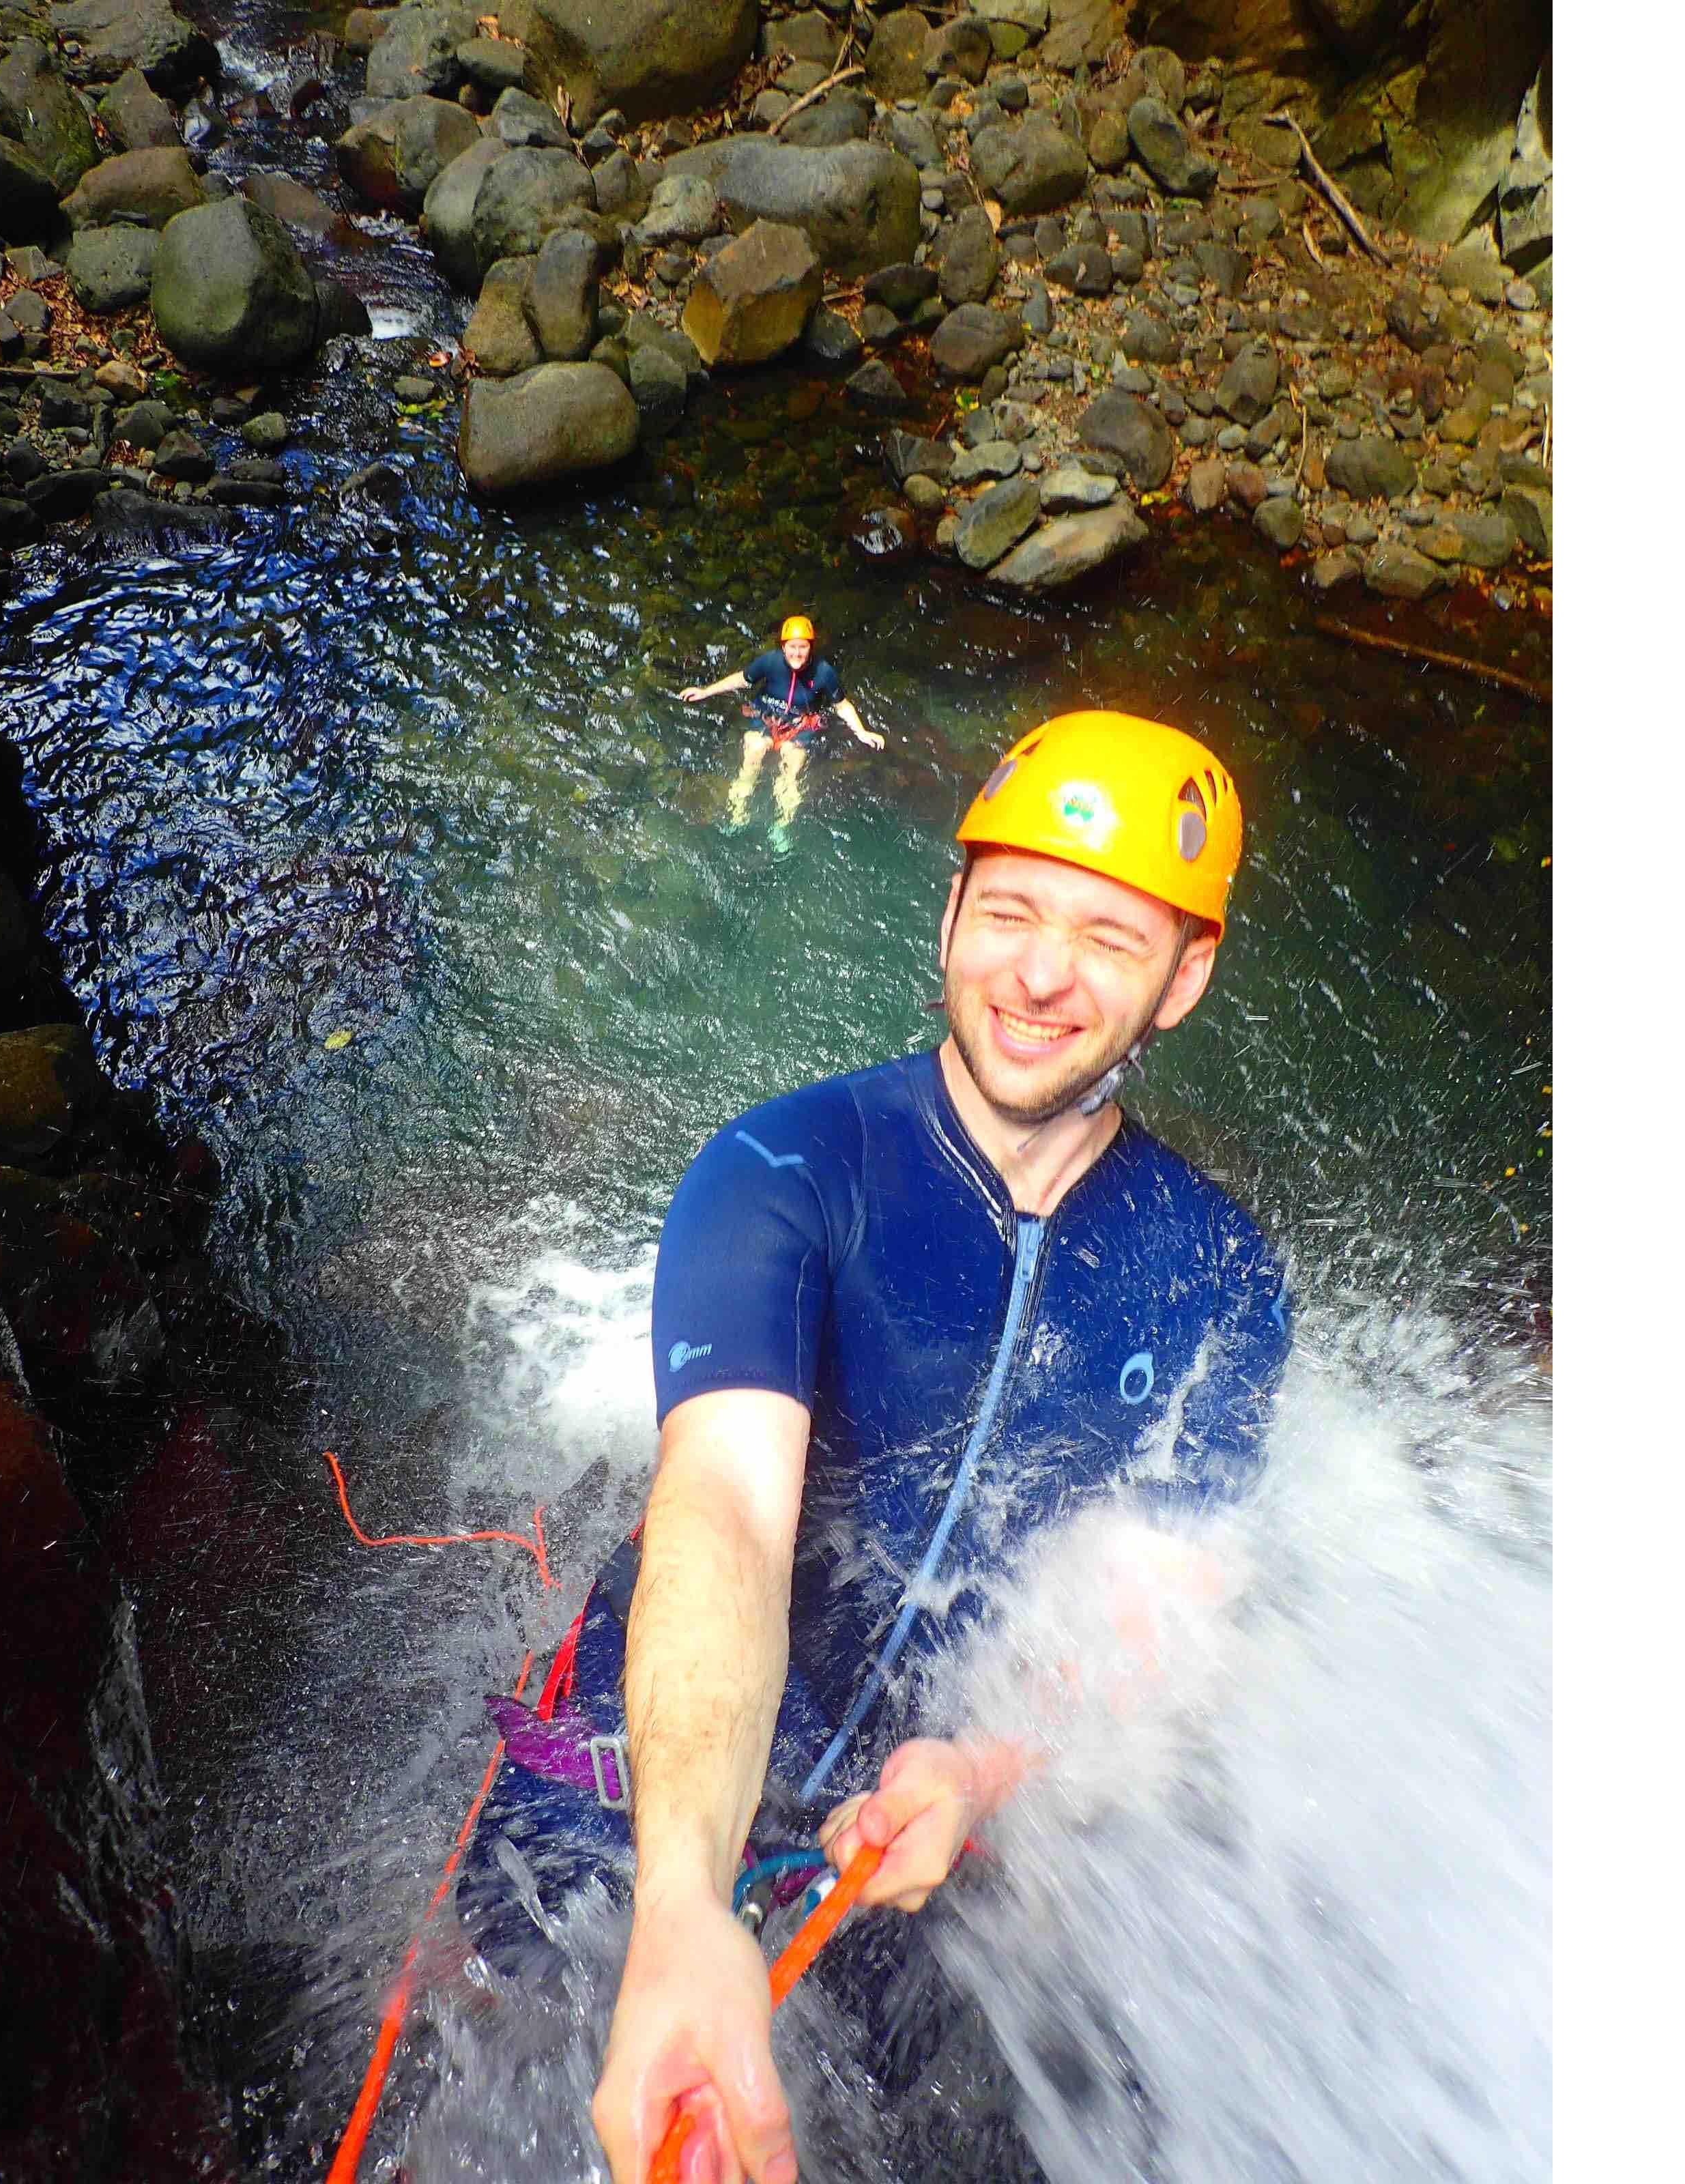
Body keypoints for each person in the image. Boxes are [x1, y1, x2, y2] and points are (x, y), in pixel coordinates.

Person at [454, 711, 1292, 2183]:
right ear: (951, 911)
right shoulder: (785, 1170)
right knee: (505, 2009)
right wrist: (679, 1904)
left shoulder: (1218, 1273)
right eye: (1010, 911)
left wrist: (979, 1767)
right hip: (644, 1749)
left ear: (1188, 976)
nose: (1038, 973)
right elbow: (722, 1507)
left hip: (920, 1797)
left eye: (1106, 934)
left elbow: (1157, 1606)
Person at [679, 615, 882, 845]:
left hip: (800, 725)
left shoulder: (824, 672)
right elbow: (743, 679)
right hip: (766, 717)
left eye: (803, 647)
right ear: (783, 647)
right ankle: (738, 815)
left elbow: (841, 705)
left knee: (791, 766)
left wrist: (862, 732)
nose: (797, 653)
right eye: (792, 647)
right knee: (754, 751)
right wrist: (707, 691)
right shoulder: (771, 662)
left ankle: (781, 827)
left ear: (811, 648)